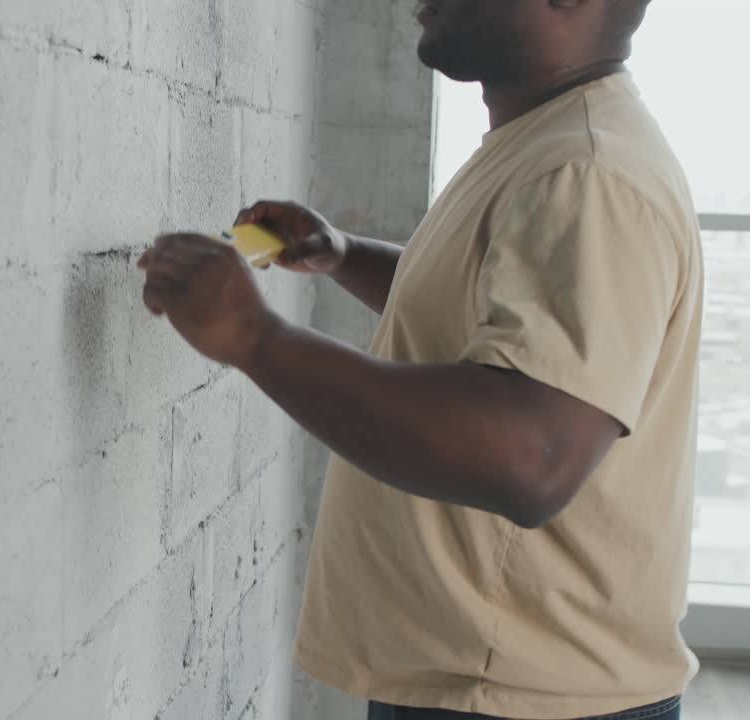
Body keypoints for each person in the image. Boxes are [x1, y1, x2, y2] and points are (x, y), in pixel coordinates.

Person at [136, 1, 700, 718]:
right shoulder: (545, 144)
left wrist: (254, 338)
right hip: (491, 678)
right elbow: (497, 310)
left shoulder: (586, 171)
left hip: (523, 697)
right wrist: (347, 256)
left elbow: (534, 457)